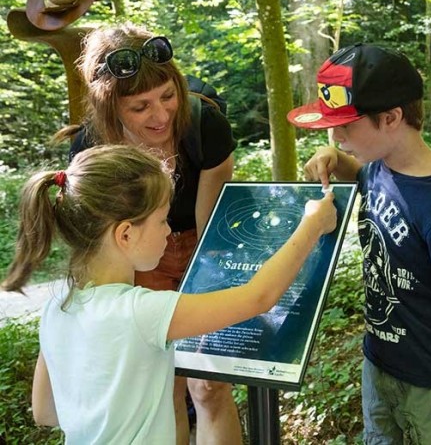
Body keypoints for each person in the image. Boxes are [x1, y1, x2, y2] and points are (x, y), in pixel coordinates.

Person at [1, 144, 337, 444]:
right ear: (126, 235)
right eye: (162, 220)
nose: (169, 232)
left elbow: (45, 411)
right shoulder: (140, 312)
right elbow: (257, 298)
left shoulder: (57, 306)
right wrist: (313, 224)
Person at [287, 43, 431, 444]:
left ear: (391, 117)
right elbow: (359, 171)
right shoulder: (379, 167)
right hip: (378, 362)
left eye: (347, 125)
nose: (337, 133)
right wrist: (334, 155)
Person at [55, 23, 240, 444]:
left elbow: (211, 224)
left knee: (210, 386)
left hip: (199, 242)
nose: (160, 116)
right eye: (140, 107)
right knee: (162, 389)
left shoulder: (202, 122)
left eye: (167, 97)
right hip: (135, 255)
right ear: (110, 107)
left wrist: (205, 283)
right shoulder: (91, 148)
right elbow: (104, 243)